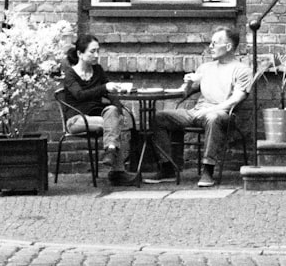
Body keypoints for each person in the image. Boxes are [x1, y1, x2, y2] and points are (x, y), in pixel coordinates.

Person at [146, 26, 254, 187]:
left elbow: (235, 100)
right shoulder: (205, 68)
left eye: (215, 43)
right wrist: (188, 82)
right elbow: (184, 94)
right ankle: (167, 167)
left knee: (213, 118)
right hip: (196, 112)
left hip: (222, 113)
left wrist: (210, 110)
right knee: (159, 118)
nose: (210, 46)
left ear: (229, 47)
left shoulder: (242, 70)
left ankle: (208, 170)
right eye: (211, 43)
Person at [62, 34, 133, 184]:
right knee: (114, 124)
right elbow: (80, 95)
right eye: (92, 51)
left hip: (98, 117)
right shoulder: (70, 75)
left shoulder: (98, 70)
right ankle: (117, 172)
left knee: (113, 112)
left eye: (98, 51)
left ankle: (111, 150)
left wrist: (119, 108)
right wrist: (103, 87)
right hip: (76, 119)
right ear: (80, 54)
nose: (96, 55)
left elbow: (109, 93)